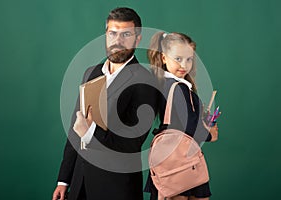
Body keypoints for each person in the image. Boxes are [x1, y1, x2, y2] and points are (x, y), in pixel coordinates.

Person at [52, 7, 158, 200]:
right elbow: (75, 130)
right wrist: (63, 180)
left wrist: (90, 132)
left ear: (137, 39)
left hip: (116, 188)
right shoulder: (91, 73)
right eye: (112, 33)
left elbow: (132, 144)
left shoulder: (146, 81)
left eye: (126, 34)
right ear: (106, 35)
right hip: (79, 184)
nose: (118, 41)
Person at [144, 32, 219, 200]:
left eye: (189, 59)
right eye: (178, 58)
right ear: (163, 58)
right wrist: (209, 134)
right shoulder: (179, 87)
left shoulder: (162, 83)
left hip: (169, 160)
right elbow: (189, 126)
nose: (184, 65)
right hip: (182, 163)